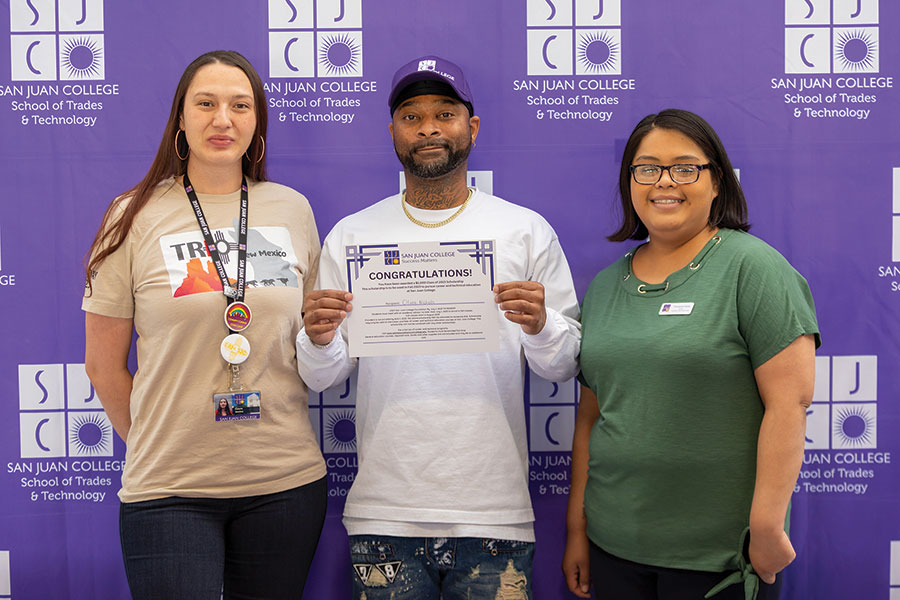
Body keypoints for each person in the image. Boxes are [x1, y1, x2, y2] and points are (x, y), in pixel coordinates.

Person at [296, 55, 581, 600]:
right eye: (411, 115)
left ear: (471, 127)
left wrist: (542, 325)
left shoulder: (524, 230)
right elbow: (323, 378)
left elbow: (562, 365)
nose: (428, 127)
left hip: (494, 511)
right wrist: (318, 337)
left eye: (444, 113)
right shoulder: (352, 236)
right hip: (386, 511)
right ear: (393, 132)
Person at [83, 50, 326, 599]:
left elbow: (314, 344)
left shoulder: (292, 210)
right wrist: (158, 439)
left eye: (240, 105)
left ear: (257, 120)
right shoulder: (131, 215)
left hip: (285, 484)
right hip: (169, 489)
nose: (223, 119)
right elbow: (103, 364)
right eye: (207, 104)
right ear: (181, 119)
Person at [562, 109, 820, 600]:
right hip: (614, 547)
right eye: (647, 168)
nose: (665, 182)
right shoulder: (604, 285)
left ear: (717, 180)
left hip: (720, 558)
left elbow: (790, 404)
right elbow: (590, 417)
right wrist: (577, 530)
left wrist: (765, 528)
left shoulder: (755, 269)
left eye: (685, 167)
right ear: (630, 181)